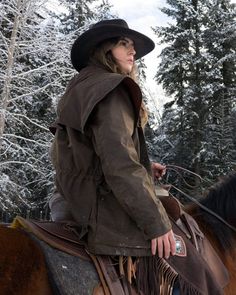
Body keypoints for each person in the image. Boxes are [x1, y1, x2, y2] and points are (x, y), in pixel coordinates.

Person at [50, 18, 177, 292]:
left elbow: (90, 153)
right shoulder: (111, 88)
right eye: (124, 44)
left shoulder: (81, 85)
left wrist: (145, 166)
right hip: (100, 211)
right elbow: (120, 165)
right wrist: (156, 224)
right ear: (104, 49)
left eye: (132, 46)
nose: (133, 52)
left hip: (71, 200)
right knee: (175, 265)